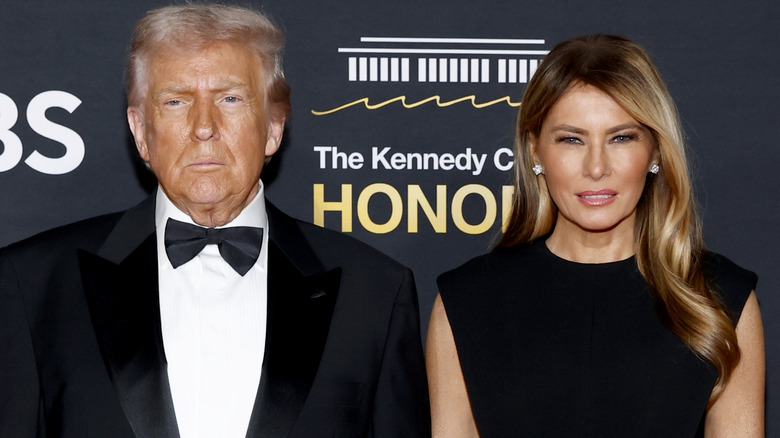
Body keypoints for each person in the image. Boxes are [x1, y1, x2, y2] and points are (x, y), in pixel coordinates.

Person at [0, 4, 429, 437]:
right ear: (140, 131)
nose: (204, 126)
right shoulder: (33, 288)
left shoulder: (374, 295)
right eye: (175, 101)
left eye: (230, 98)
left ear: (274, 127)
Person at [426, 34, 764, 437]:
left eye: (621, 137)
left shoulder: (717, 298)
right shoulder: (466, 302)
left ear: (655, 151)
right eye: (572, 139)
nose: (597, 167)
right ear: (535, 151)